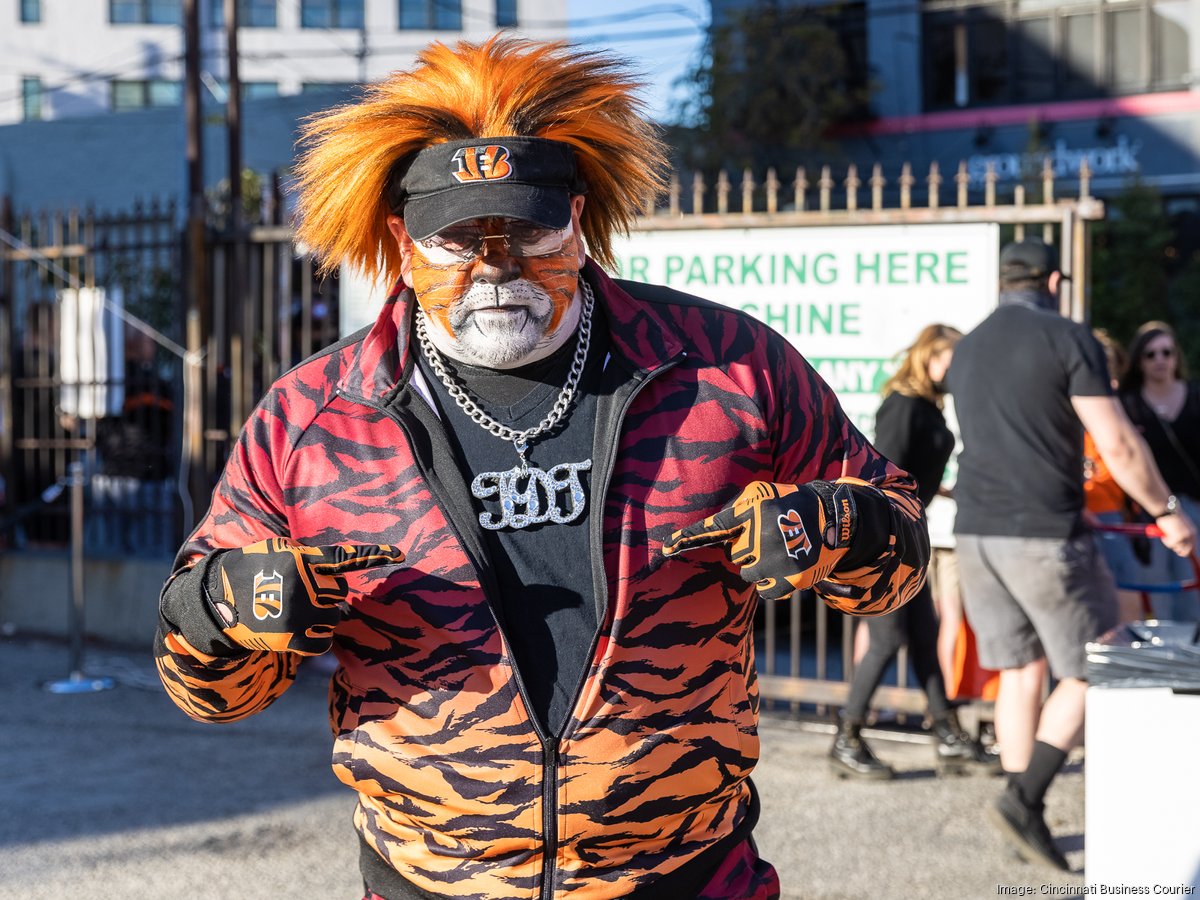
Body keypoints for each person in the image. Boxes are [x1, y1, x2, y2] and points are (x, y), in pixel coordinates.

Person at [153, 38, 929, 900]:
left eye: (528, 227)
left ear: (581, 219)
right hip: (427, 883)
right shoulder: (313, 416)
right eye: (459, 237)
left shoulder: (725, 367)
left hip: (690, 874)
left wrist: (838, 528)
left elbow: (897, 564)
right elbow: (210, 694)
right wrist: (221, 607)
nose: (495, 265)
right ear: (402, 240)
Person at [947, 238, 1196, 872]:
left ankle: (1015, 806)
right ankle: (1023, 800)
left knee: (1022, 670)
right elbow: (1116, 440)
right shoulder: (1067, 338)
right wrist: (1169, 514)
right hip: (1043, 534)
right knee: (1098, 663)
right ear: (1053, 280)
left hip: (976, 532)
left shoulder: (969, 345)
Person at [831, 324, 997, 778]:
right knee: (888, 639)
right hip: (887, 540)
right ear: (927, 357)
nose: (955, 369)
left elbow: (911, 474)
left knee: (924, 635)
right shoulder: (904, 406)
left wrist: (943, 492)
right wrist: (882, 543)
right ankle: (846, 738)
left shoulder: (925, 406)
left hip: (907, 536)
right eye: (950, 358)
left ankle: (947, 734)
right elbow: (882, 473)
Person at [1118, 320, 1200, 621]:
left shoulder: (1194, 395)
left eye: (1166, 352)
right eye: (1150, 355)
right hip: (1149, 508)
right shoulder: (1128, 404)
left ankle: (1192, 656)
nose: (1160, 360)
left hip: (1193, 507)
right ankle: (1165, 657)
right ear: (1139, 361)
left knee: (1193, 585)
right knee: (1157, 587)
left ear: (1176, 357)